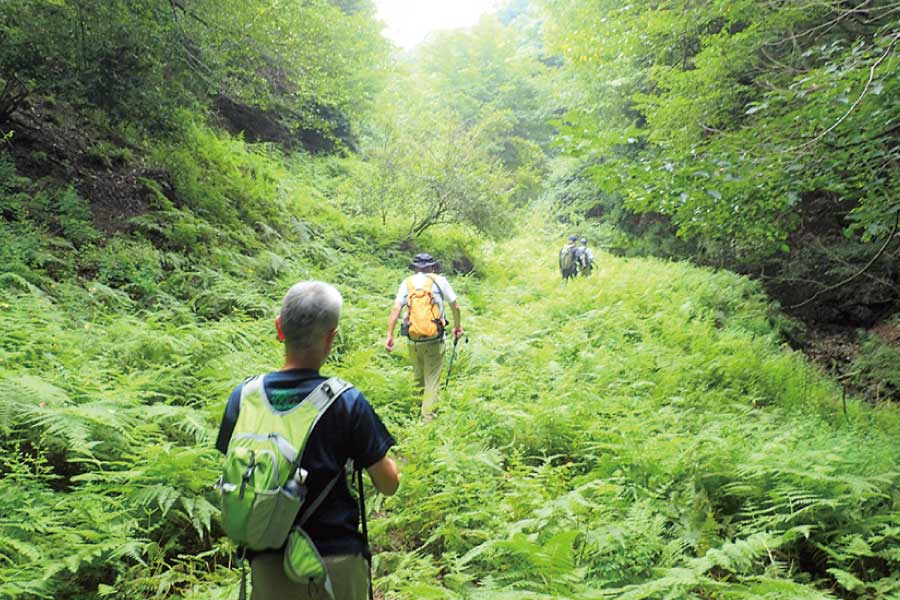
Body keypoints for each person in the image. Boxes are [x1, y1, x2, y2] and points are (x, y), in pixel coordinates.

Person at [216, 281, 399, 600]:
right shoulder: (346, 401)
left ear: (279, 328)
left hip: (267, 562)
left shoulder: (244, 397)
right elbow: (388, 484)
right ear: (331, 338)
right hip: (334, 565)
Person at [384, 253, 463, 419]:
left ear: (414, 268)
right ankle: (427, 422)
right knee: (432, 382)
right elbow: (456, 307)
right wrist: (457, 327)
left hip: (413, 340)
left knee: (418, 378)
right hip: (434, 340)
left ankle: (414, 414)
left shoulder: (407, 283)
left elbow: (396, 310)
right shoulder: (439, 281)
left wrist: (389, 335)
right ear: (432, 267)